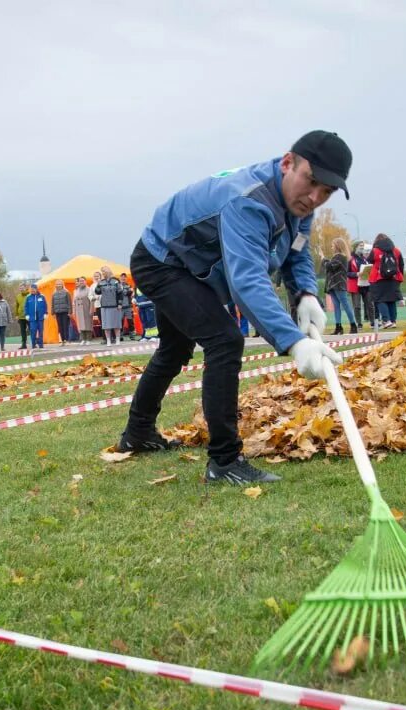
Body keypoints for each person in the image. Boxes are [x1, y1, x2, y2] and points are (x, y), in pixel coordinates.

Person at [117, 129, 348, 485]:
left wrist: (305, 293)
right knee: (225, 340)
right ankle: (224, 461)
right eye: (311, 181)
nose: (315, 197)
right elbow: (247, 281)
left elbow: (297, 251)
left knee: (174, 349)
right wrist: (293, 341)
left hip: (190, 266)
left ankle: (138, 433)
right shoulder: (248, 201)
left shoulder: (298, 202)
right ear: (288, 163)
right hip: (161, 260)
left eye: (327, 192)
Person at [321, 236, 358, 335]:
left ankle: (353, 325)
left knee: (345, 305)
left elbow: (330, 266)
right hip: (333, 285)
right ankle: (338, 327)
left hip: (339, 284)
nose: (332, 247)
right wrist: (325, 261)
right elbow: (328, 267)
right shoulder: (336, 257)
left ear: (337, 246)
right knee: (336, 306)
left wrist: (323, 258)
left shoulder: (340, 257)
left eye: (333, 245)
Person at [368, 233, 406, 329]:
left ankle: (386, 320)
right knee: (391, 300)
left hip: (378, 278)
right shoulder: (396, 251)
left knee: (380, 300)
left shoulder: (375, 251)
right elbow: (401, 264)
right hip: (394, 278)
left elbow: (369, 260)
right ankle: (393, 321)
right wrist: (400, 276)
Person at [95, 272, 121, 345]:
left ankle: (117, 339)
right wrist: (98, 284)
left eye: (106, 272)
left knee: (116, 323)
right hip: (104, 306)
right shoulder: (101, 282)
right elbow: (97, 292)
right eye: (103, 273)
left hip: (114, 305)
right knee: (106, 325)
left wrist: (120, 304)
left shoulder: (116, 281)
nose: (105, 274)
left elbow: (120, 293)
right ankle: (108, 340)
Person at [346, 243, 366, 328]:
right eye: (360, 246)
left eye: (363, 246)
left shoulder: (364, 258)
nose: (362, 248)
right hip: (355, 284)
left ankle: (373, 322)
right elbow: (347, 273)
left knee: (369, 304)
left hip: (365, 283)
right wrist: (356, 274)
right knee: (357, 305)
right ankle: (359, 323)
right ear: (355, 247)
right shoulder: (350, 259)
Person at [24, 283, 48, 349]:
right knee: (33, 331)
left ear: (36, 289)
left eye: (33, 289)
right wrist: (27, 314)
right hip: (32, 318)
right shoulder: (28, 297)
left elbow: (45, 305)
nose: (32, 291)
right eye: (31, 289)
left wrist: (45, 313)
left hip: (40, 317)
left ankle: (41, 345)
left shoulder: (42, 296)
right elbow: (26, 307)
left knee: (41, 331)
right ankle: (33, 344)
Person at [72, 277, 94, 344]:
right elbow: (74, 301)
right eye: (80, 281)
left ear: (85, 281)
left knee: (87, 324)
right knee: (81, 324)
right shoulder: (76, 290)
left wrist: (91, 309)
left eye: (83, 281)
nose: (81, 282)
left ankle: (88, 339)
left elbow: (92, 301)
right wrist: (74, 310)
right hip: (79, 309)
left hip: (86, 308)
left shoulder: (89, 289)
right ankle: (83, 339)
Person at [50, 280, 73, 345]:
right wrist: (53, 313)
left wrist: (70, 312)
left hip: (65, 312)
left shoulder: (66, 292)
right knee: (60, 327)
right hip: (57, 312)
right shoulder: (54, 293)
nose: (58, 285)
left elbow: (69, 303)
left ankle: (67, 340)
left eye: (59, 284)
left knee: (66, 326)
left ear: (62, 285)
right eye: (57, 284)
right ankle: (62, 340)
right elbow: (53, 304)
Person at [117, 274, 136, 340]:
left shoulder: (129, 285)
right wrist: (126, 291)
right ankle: (120, 336)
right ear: (119, 278)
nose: (123, 278)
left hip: (128, 306)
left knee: (130, 321)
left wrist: (124, 291)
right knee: (120, 322)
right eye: (122, 277)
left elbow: (130, 293)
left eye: (124, 277)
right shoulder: (117, 285)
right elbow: (118, 293)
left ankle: (132, 335)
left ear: (126, 278)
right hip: (120, 307)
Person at [14, 284, 30, 351]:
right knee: (22, 331)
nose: (21, 289)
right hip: (21, 317)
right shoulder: (18, 296)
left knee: (32, 329)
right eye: (20, 288)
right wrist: (16, 315)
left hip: (29, 316)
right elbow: (16, 306)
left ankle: (34, 343)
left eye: (22, 288)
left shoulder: (29, 295)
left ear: (25, 288)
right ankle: (24, 344)